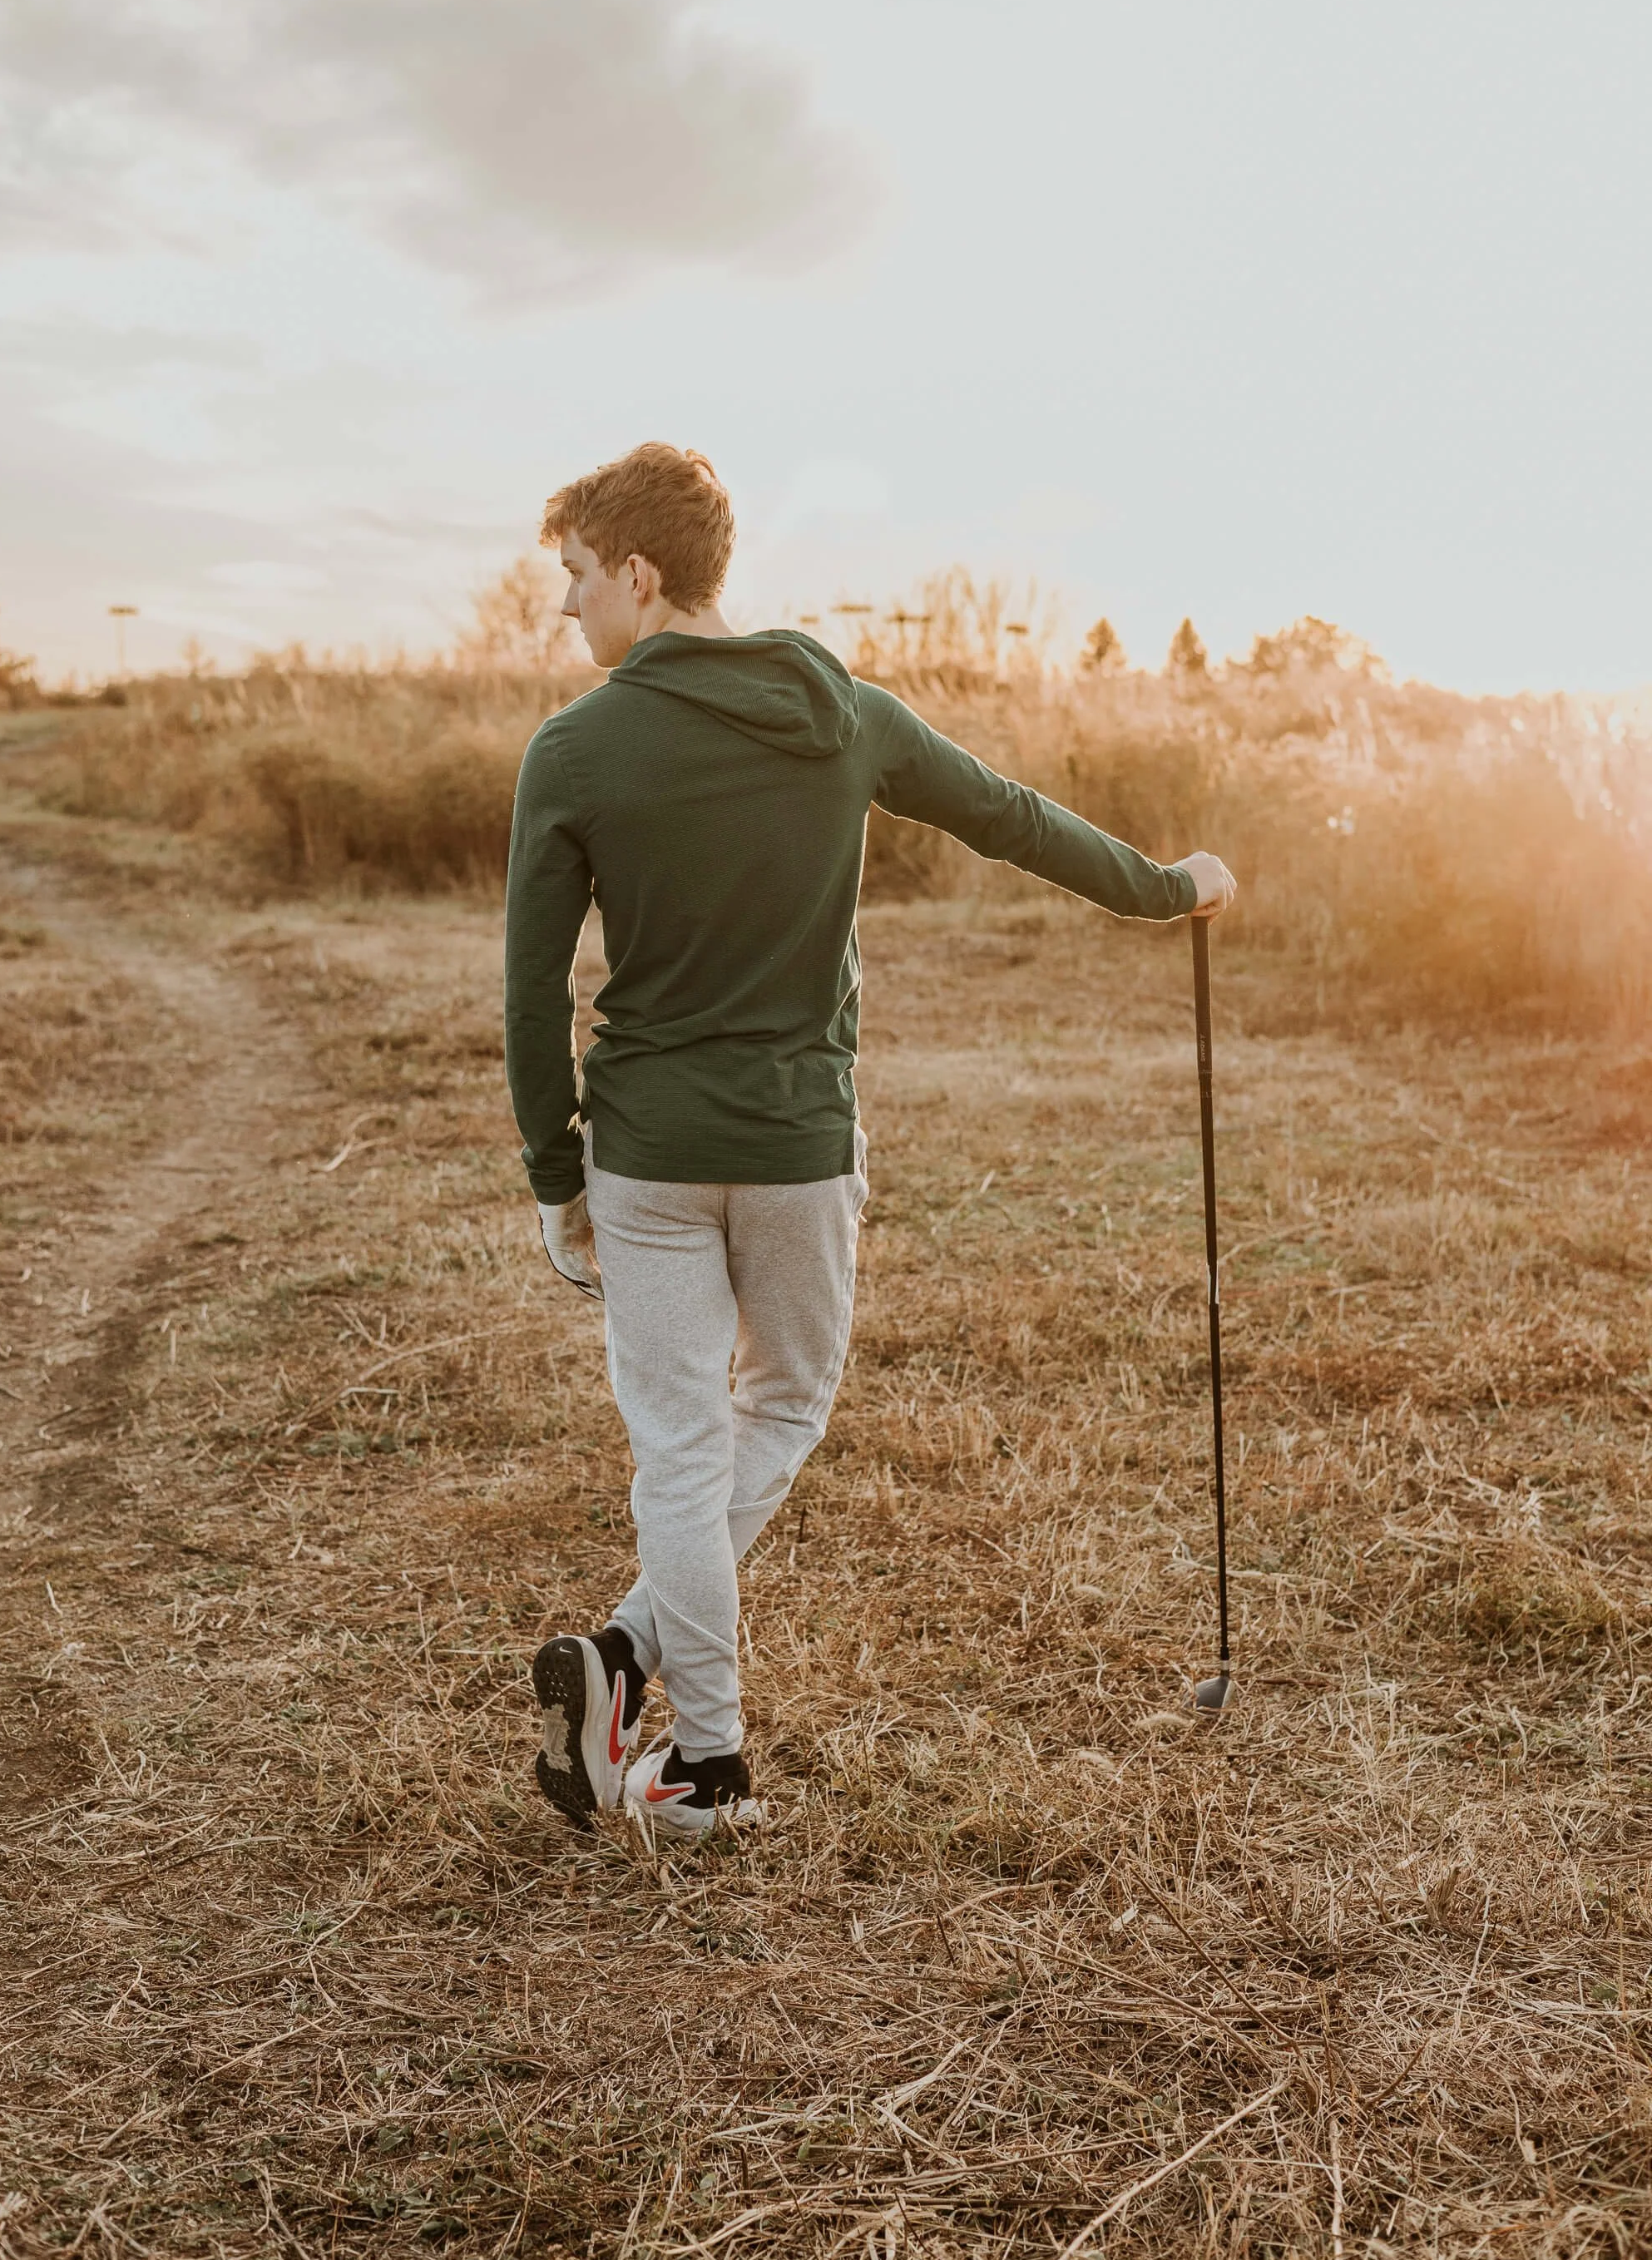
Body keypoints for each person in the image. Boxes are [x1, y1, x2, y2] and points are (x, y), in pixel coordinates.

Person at [505, 443, 1236, 1839]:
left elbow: (532, 987)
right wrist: (1165, 889)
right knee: (778, 1406)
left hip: (646, 1155)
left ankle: (670, 1717)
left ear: (640, 574)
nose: (570, 612)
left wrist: (557, 1176)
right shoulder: (841, 713)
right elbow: (1009, 820)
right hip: (796, 1147)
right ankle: (654, 1708)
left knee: (678, 1449)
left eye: (576, 581)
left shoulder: (577, 746)